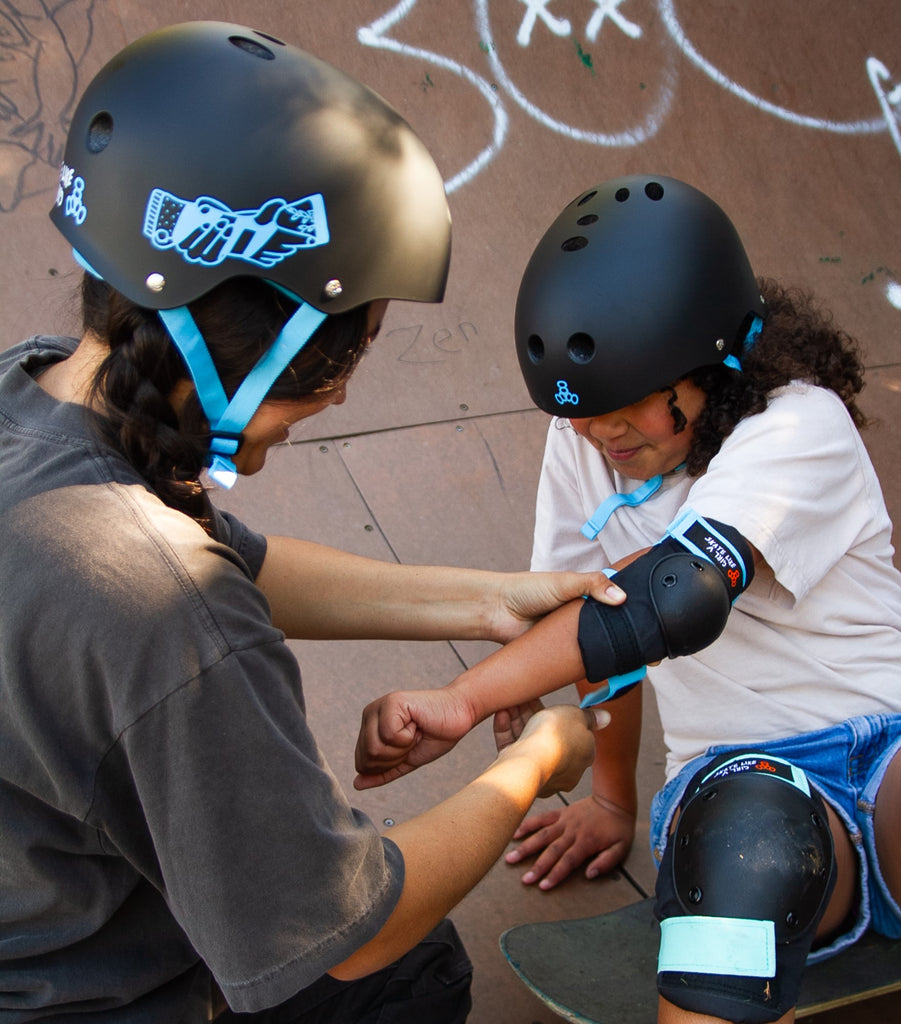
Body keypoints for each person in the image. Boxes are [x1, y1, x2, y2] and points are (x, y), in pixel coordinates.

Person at [0, 22, 626, 1022]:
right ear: (272, 340)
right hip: (81, 995)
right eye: (359, 345)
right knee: (410, 967)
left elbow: (235, 568)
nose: (339, 396)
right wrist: (539, 759)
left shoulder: (34, 397)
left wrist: (493, 600)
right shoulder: (167, 620)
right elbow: (354, 927)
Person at [354, 175, 901, 1022]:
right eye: (583, 416)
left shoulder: (798, 424)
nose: (600, 435)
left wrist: (463, 698)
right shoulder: (585, 444)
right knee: (752, 834)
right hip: (747, 789)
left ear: (713, 362)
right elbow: (594, 616)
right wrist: (611, 799)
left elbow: (668, 599)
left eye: (625, 406)